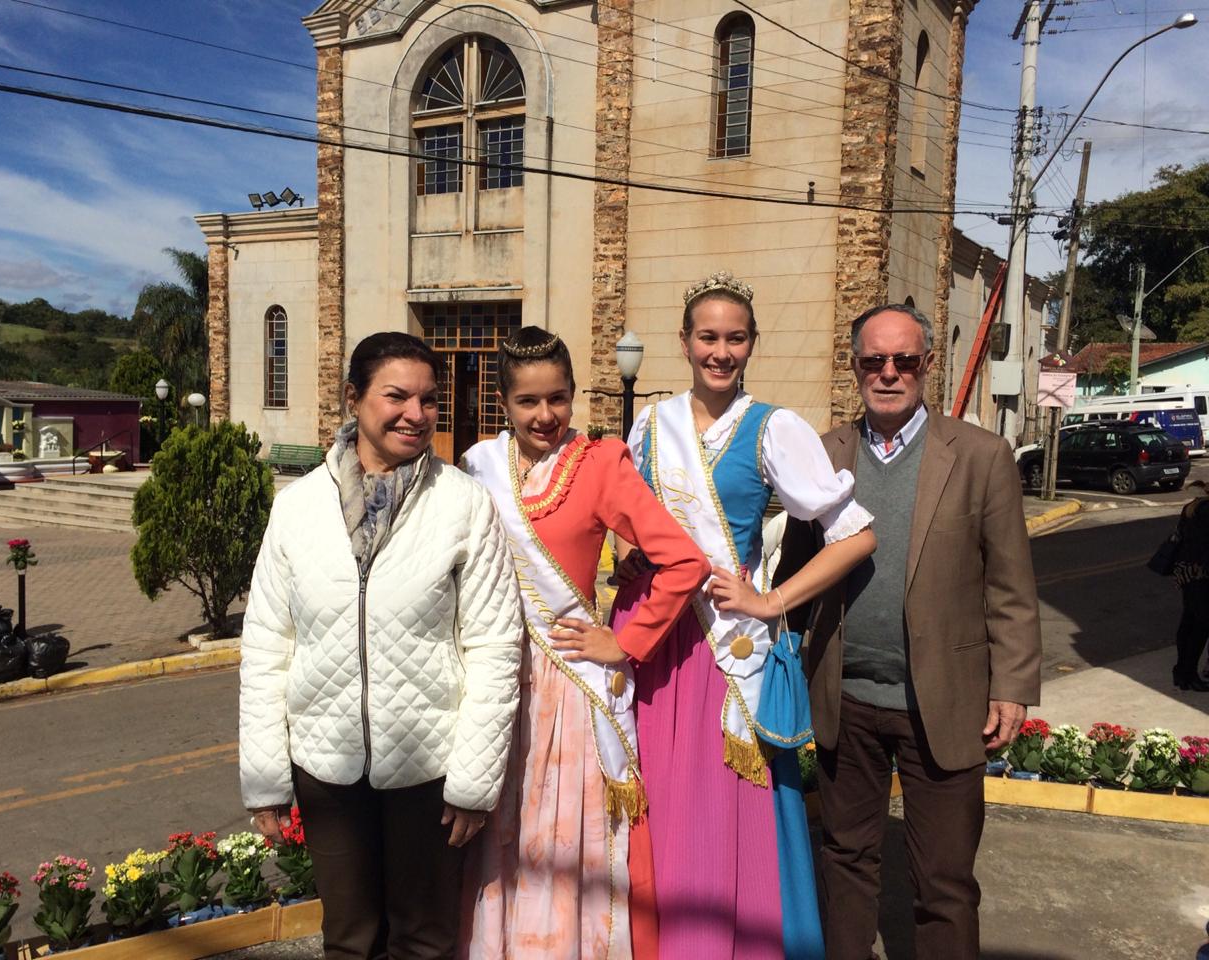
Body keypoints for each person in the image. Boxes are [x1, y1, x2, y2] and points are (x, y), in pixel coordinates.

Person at [615, 271, 876, 960]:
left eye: (735, 338)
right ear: (685, 341)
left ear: (752, 344)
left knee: (726, 804)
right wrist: (628, 563)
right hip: (656, 640)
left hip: (725, 650)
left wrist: (773, 601)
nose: (720, 351)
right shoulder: (651, 423)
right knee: (663, 801)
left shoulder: (774, 428)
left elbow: (855, 534)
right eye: (708, 337)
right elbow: (633, 525)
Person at [239, 332, 524, 960]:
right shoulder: (297, 508)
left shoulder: (462, 504)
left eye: (428, 400)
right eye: (396, 396)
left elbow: (494, 645)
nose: (415, 415)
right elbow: (266, 644)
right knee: (349, 939)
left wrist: (473, 781)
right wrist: (266, 776)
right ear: (353, 399)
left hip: (429, 764)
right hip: (326, 764)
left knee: (424, 940)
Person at [800, 303, 1042, 959]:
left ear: (927, 365)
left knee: (944, 883)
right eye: (873, 360)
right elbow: (796, 572)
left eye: (903, 360)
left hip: (943, 701)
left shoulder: (982, 457)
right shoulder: (824, 456)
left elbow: (1011, 585)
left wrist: (1013, 685)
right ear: (854, 367)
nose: (888, 373)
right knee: (846, 860)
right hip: (845, 702)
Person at [458, 326, 708, 960]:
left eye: (559, 398)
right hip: (492, 681)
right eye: (528, 402)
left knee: (560, 836)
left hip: (565, 686)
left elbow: (683, 561)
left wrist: (624, 641)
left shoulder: (601, 463)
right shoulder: (478, 466)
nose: (545, 416)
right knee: (502, 833)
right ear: (503, 402)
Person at [1171, 480, 1209, 691]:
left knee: (1188, 622)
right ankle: (1190, 674)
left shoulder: (1192, 507)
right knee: (1201, 626)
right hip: (1201, 574)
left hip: (1186, 572)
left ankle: (1181, 672)